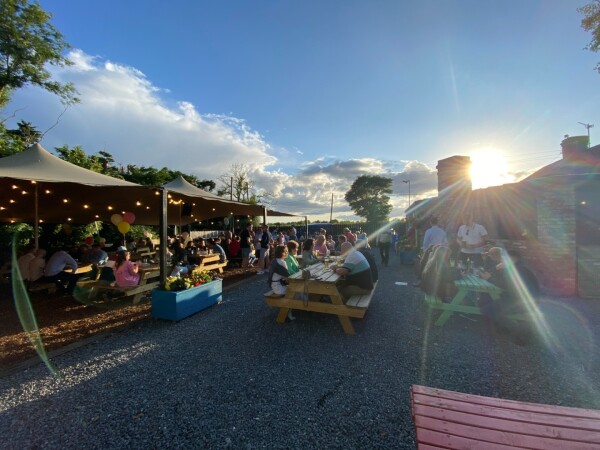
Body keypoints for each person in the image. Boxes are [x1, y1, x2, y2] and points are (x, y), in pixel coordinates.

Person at [267, 245, 295, 321]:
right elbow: (287, 277)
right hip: (279, 287)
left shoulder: (274, 260)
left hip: (274, 285)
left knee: (292, 289)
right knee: (293, 292)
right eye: (286, 251)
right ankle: (288, 312)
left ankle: (286, 309)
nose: (287, 253)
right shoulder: (282, 262)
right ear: (282, 253)